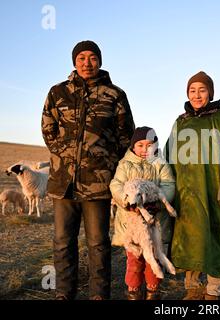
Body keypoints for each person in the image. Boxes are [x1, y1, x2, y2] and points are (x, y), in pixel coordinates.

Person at [41, 40, 135, 300]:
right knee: (62, 243)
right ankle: (64, 293)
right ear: (74, 61)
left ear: (100, 61)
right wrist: (67, 156)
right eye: (81, 57)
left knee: (98, 243)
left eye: (92, 58)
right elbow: (48, 129)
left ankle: (98, 295)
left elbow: (125, 136)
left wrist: (105, 162)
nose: (87, 63)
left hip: (98, 184)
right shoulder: (57, 92)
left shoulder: (115, 94)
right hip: (63, 183)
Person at [165, 71, 220, 300]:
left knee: (215, 235)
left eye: (202, 90)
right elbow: (168, 154)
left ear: (210, 92)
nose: (197, 95)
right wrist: (165, 183)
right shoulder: (181, 121)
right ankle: (193, 287)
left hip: (211, 189)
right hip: (184, 192)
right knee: (189, 237)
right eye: (192, 90)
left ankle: (214, 290)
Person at [110, 126, 175, 300]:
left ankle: (153, 292)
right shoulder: (125, 165)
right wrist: (125, 201)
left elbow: (168, 185)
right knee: (134, 261)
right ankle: (133, 292)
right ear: (133, 146)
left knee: (153, 259)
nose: (145, 149)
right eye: (140, 145)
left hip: (155, 223)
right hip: (131, 224)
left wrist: (157, 204)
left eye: (149, 145)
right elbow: (115, 185)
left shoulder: (161, 164)